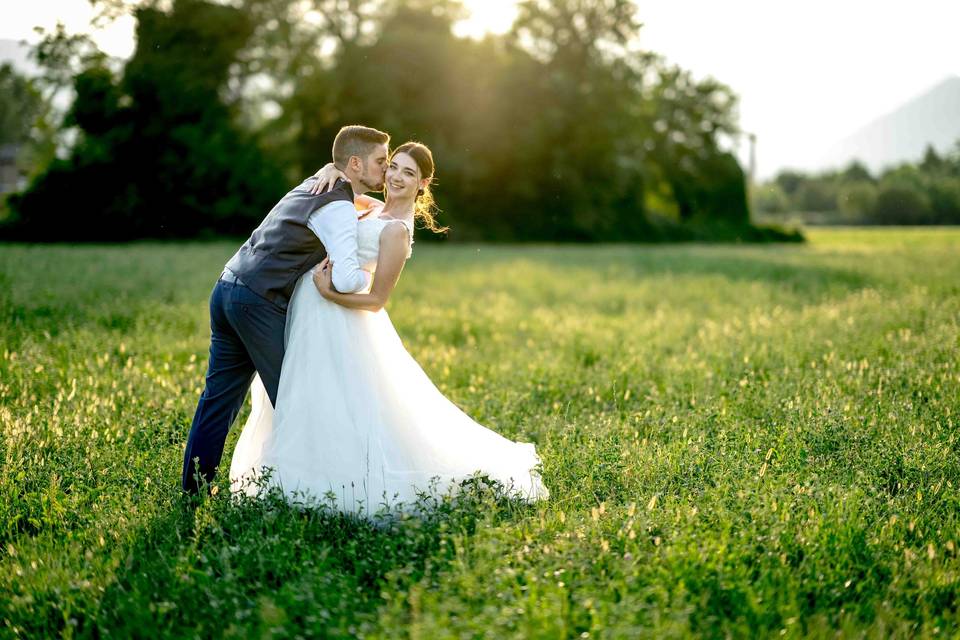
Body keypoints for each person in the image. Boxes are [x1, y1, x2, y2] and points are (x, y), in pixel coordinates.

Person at [229, 142, 549, 516]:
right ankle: (294, 475)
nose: (396, 176)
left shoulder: (397, 231)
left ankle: (334, 483)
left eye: (408, 173)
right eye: (393, 166)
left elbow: (377, 299)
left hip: (342, 317)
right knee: (307, 394)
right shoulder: (374, 208)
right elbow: (338, 195)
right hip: (312, 315)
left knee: (342, 403)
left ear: (423, 183)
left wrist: (329, 293)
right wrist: (328, 171)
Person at [181, 125, 390, 495]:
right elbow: (343, 280)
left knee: (218, 400)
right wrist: (365, 275)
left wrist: (332, 168)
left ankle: (194, 491)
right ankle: (311, 493)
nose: (386, 170)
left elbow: (364, 204)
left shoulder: (316, 184)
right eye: (380, 162)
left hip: (227, 287)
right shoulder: (336, 204)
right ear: (355, 164)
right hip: (257, 302)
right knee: (298, 397)